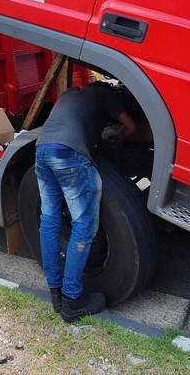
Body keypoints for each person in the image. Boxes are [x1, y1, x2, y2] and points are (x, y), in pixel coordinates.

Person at [35, 80, 140, 322]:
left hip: (42, 150)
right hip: (69, 154)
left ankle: (56, 293)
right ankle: (72, 300)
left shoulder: (72, 94)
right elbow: (131, 127)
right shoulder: (107, 96)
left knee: (49, 220)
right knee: (83, 226)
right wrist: (113, 138)